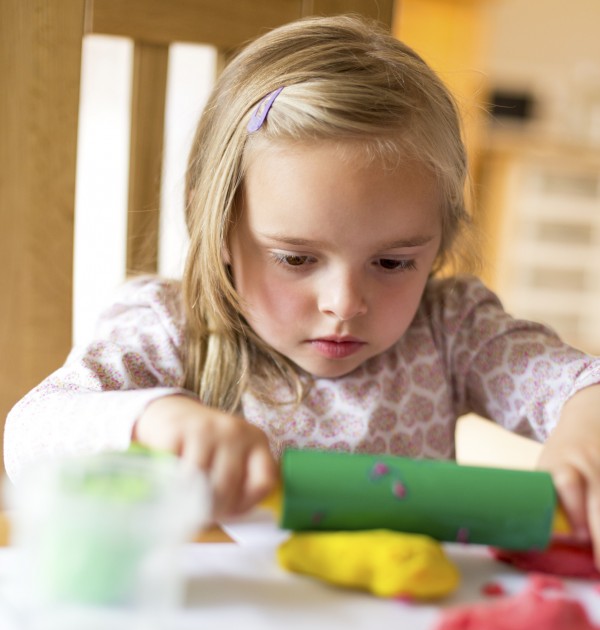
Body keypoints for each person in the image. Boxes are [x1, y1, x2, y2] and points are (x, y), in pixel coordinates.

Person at [4, 15, 600, 560]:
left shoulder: (452, 331)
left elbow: (583, 383)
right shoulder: (171, 328)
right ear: (218, 228)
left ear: (440, 238)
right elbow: (31, 435)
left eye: (392, 263)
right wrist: (154, 419)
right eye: (295, 258)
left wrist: (584, 438)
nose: (344, 303)